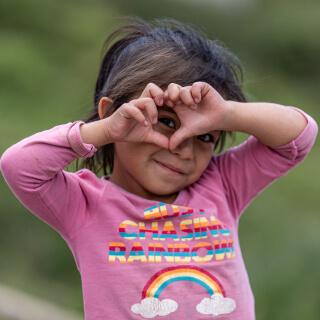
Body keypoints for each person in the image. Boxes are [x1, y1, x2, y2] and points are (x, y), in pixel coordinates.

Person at [0, 16, 318, 320]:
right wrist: (104, 130)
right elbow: (19, 166)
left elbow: (300, 136)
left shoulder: (222, 185)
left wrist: (228, 113)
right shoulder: (85, 205)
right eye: (166, 122)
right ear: (114, 113)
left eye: (205, 135)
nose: (182, 147)